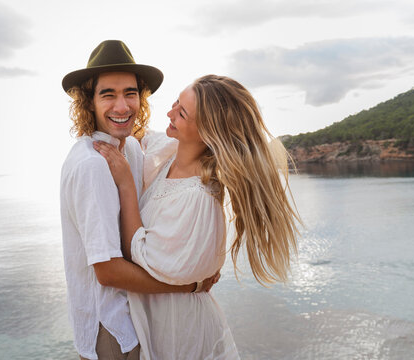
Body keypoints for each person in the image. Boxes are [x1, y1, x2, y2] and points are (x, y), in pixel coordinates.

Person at [94, 74, 301, 359]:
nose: (169, 113)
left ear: (206, 131)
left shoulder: (199, 196)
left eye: (181, 113)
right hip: (158, 324)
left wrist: (127, 185)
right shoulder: (168, 154)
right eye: (176, 102)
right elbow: (134, 132)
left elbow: (137, 255)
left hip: (181, 333)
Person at [60, 41, 219, 360]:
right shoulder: (92, 165)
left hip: (139, 319)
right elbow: (108, 272)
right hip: (112, 331)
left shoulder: (131, 148)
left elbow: (186, 148)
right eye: (108, 94)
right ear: (88, 102)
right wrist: (188, 286)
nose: (122, 106)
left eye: (130, 93)